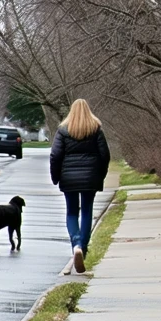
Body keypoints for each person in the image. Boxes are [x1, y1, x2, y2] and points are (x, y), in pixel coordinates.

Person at [49, 99, 111, 274]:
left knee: (71, 212)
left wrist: (56, 177)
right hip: (90, 178)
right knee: (86, 211)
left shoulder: (63, 130)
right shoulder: (96, 129)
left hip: (69, 178)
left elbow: (55, 156)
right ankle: (82, 248)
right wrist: (100, 175)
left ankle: (75, 243)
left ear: (72, 111)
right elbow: (105, 155)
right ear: (88, 111)